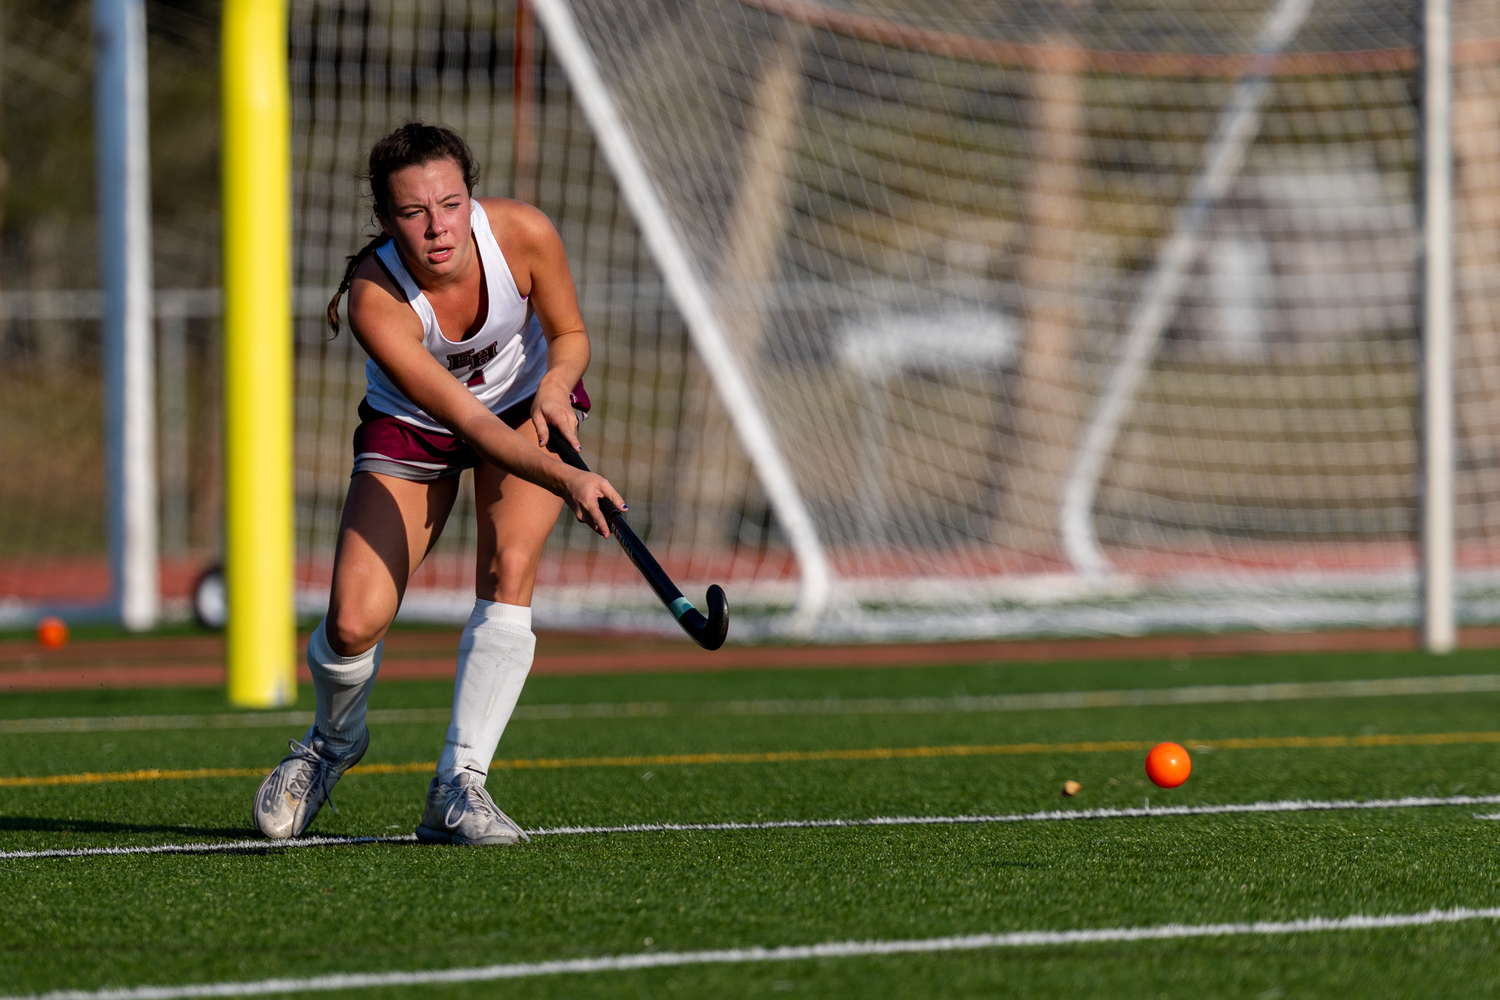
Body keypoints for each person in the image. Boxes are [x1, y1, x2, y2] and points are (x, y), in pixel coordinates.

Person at [252, 122, 625, 846]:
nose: (438, 228)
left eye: (450, 204)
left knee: (509, 565)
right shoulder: (375, 297)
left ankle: (460, 785)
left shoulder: (523, 235)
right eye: (414, 214)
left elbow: (571, 333)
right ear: (388, 221)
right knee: (354, 620)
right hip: (418, 427)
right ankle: (331, 744)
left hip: (524, 406)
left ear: (470, 197)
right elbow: (468, 427)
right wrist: (571, 482)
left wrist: (557, 384)